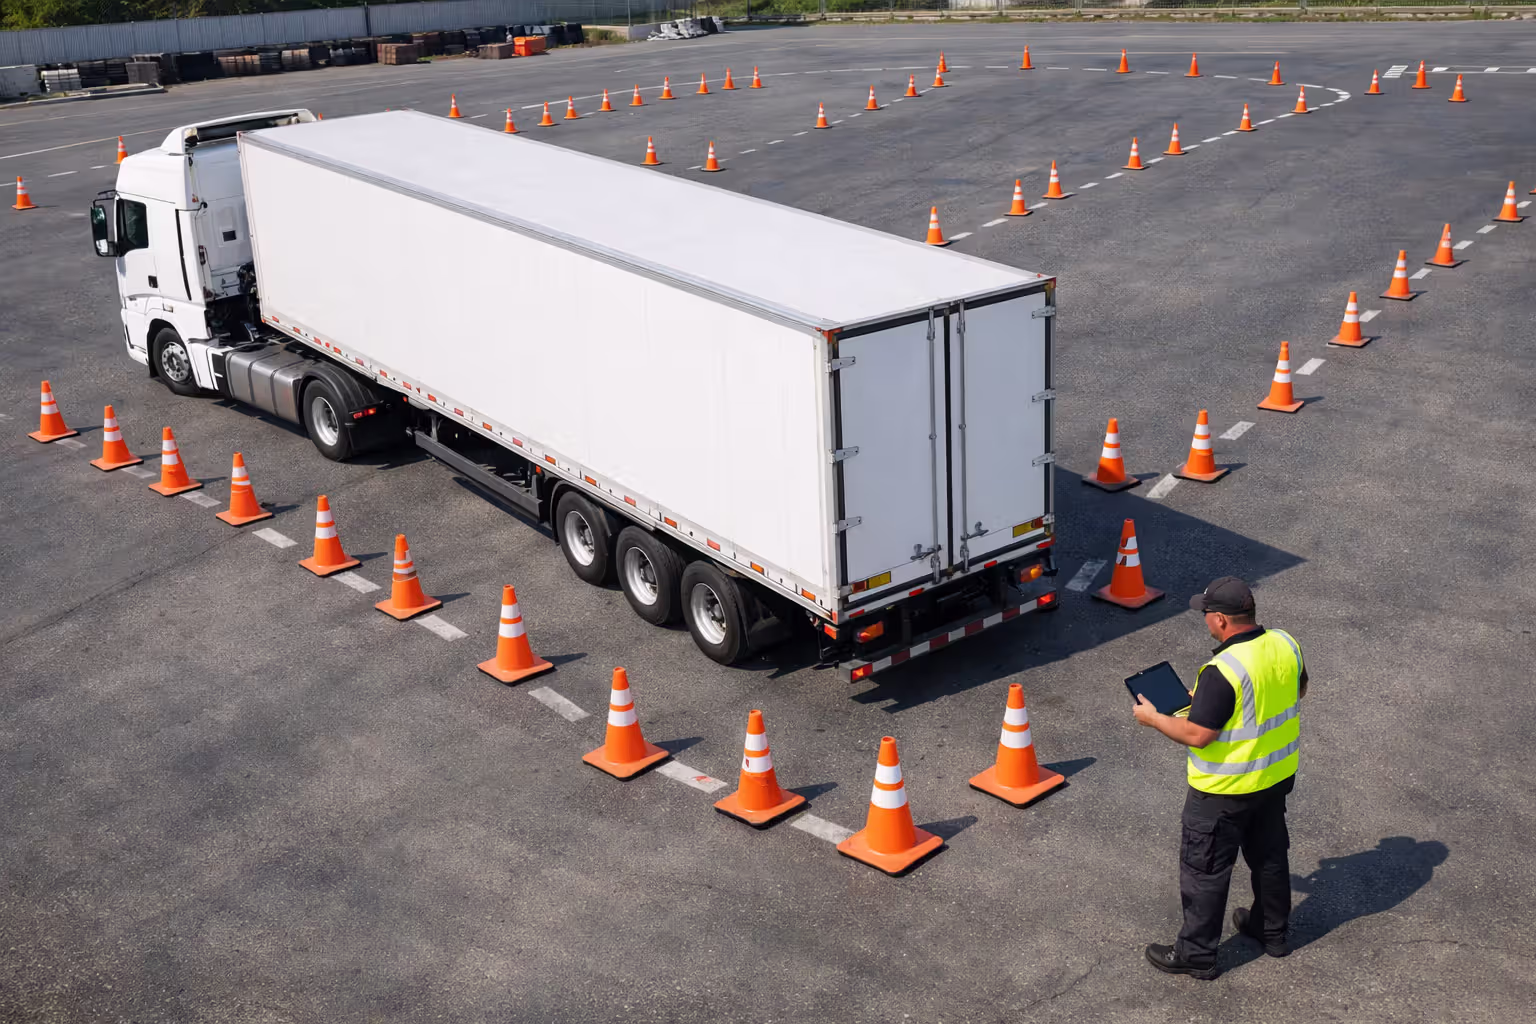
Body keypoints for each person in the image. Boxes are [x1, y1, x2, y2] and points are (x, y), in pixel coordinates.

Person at [1131, 576, 1307, 979]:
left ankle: (1196, 955)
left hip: (1224, 791)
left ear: (1223, 621)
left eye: (1206, 614)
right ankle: (1272, 932)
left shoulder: (1222, 670)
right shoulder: (1285, 643)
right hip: (1274, 778)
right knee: (1269, 858)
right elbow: (1296, 690)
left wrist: (1154, 718)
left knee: (1205, 871)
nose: (1205, 620)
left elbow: (1198, 735)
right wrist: (1213, 705)